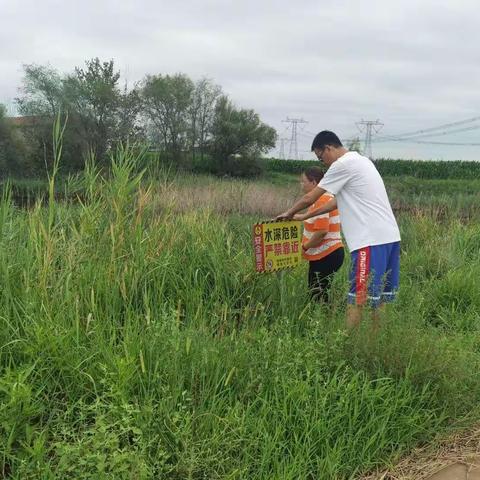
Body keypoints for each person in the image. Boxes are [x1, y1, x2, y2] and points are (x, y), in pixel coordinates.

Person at [277, 131, 401, 331]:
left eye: (320, 157)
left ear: (328, 148)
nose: (323, 162)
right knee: (377, 299)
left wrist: (289, 212)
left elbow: (311, 198)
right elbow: (336, 202)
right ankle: (375, 342)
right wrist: (304, 216)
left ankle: (345, 347)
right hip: (390, 238)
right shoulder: (362, 162)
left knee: (357, 298)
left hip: (369, 241)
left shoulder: (342, 165)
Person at [300, 167, 344, 302]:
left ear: (314, 183)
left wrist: (304, 247)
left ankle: (320, 320)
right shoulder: (324, 198)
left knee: (316, 296)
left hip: (326, 255)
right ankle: (325, 318)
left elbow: (321, 231)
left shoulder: (321, 199)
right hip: (326, 254)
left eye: (303, 181)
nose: (301, 184)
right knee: (320, 293)